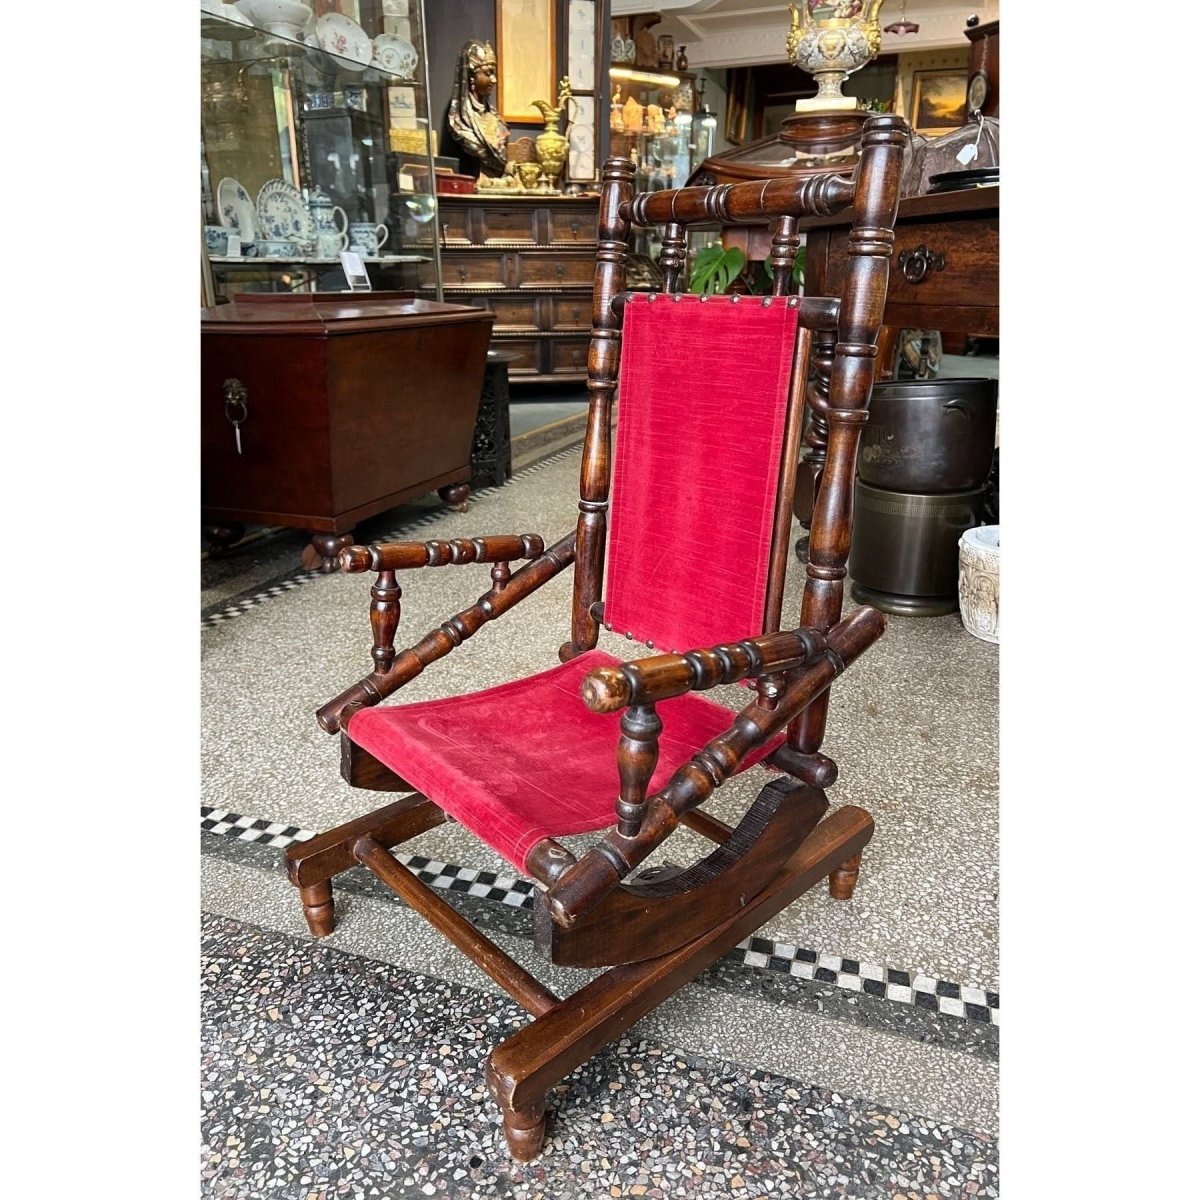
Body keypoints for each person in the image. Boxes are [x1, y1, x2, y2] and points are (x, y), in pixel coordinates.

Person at [447, 40, 509, 177]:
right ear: (472, 77)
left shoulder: (496, 119)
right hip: (473, 179)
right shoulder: (459, 123)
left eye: (494, 74)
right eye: (488, 73)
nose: (494, 80)